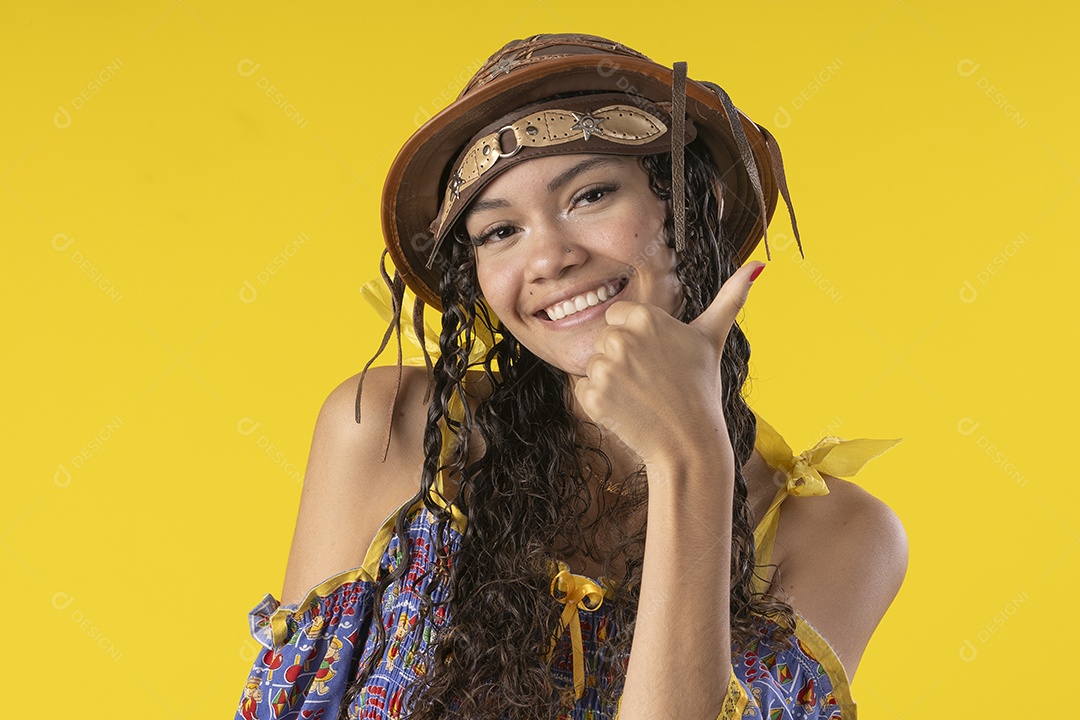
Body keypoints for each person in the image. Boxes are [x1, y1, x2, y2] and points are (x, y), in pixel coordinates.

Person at [234, 33, 907, 720]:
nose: (549, 258)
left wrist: (692, 460)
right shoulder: (385, 433)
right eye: (500, 232)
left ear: (685, 209)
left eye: (589, 195)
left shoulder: (839, 536)